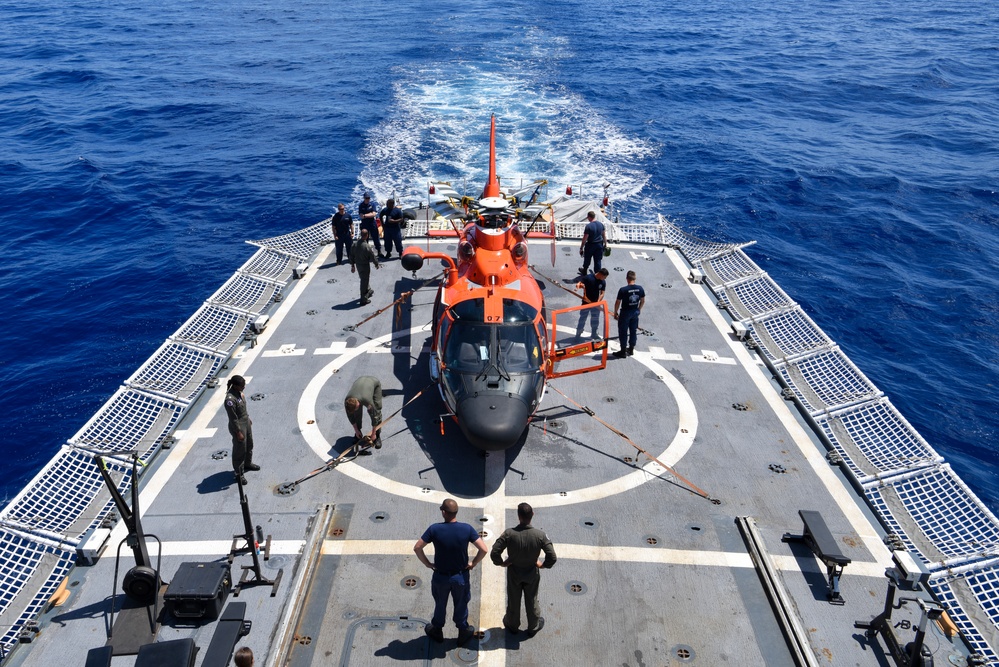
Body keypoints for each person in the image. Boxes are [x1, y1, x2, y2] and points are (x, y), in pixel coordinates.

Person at [414, 498, 488, 646]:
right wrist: (473, 563)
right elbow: (484, 549)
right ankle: (462, 632)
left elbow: (417, 548)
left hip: (440, 577)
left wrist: (428, 564)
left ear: (443, 512)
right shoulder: (466, 529)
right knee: (461, 603)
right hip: (460, 576)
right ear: (456, 512)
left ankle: (437, 630)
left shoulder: (434, 529)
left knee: (440, 604)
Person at [490, 502, 557, 637]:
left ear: (518, 516)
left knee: (514, 599)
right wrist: (543, 565)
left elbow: (494, 552)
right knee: (531, 599)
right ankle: (533, 626)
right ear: (532, 515)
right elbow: (552, 556)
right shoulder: (540, 535)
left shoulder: (509, 533)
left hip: (514, 572)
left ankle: (512, 625)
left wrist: (502, 563)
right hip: (531, 572)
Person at [224, 375, 259, 484]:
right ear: (235, 386)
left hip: (245, 422)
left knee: (249, 444)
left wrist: (248, 419)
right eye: (241, 386)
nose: (244, 387)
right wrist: (238, 432)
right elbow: (233, 418)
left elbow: (243, 409)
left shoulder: (239, 393)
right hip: (238, 426)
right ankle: (239, 474)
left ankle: (247, 463)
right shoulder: (230, 400)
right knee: (240, 450)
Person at [344, 375, 383, 452]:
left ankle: (378, 436)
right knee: (356, 413)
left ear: (358, 403)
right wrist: (356, 430)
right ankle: (358, 433)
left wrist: (373, 433)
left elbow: (374, 416)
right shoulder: (347, 401)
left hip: (374, 384)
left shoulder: (367, 400)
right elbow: (350, 416)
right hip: (360, 381)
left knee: (377, 410)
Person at [613, 270, 645, 358]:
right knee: (633, 330)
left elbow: (617, 302)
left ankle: (623, 351)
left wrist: (615, 313)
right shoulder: (640, 288)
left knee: (623, 331)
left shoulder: (623, 290)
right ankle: (631, 349)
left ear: (627, 278)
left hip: (625, 313)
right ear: (634, 278)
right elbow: (642, 301)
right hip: (635, 312)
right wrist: (639, 309)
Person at [575, 267, 609, 339]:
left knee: (595, 319)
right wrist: (578, 286)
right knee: (582, 318)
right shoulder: (588, 278)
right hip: (586, 302)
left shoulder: (602, 282)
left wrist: (598, 302)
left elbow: (602, 293)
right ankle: (578, 334)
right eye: (604, 277)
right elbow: (580, 283)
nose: (604, 279)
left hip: (595, 304)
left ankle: (594, 333)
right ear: (600, 274)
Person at [349, 228, 380, 305]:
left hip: (358, 265)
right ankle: (363, 299)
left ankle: (368, 290)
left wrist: (352, 265)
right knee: (364, 281)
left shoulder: (354, 244)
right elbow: (372, 256)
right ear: (367, 236)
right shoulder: (366, 246)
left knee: (363, 279)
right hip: (365, 266)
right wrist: (376, 264)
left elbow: (351, 256)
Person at [578, 210, 607, 275]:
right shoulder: (601, 224)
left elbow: (585, 239)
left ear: (589, 217)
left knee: (587, 258)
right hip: (599, 245)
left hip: (590, 245)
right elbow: (604, 235)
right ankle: (597, 274)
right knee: (598, 260)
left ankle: (584, 271)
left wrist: (581, 248)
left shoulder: (588, 226)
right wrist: (605, 244)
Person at [358, 192, 382, 258]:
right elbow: (361, 216)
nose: (368, 199)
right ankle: (366, 253)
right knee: (365, 239)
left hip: (372, 223)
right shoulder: (361, 205)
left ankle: (379, 251)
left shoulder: (372, 204)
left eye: (368, 198)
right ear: (364, 198)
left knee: (376, 237)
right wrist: (369, 214)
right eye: (366, 198)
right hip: (365, 224)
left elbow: (374, 214)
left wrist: (365, 215)